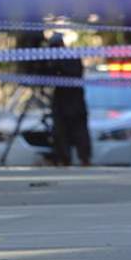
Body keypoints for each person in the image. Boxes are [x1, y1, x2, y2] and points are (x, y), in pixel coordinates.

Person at [43, 33, 91, 166]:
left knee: (79, 132)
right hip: (62, 103)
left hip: (74, 104)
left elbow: (72, 73)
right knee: (61, 133)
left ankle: (83, 158)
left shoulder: (70, 57)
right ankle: (65, 159)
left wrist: (56, 65)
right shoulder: (53, 59)